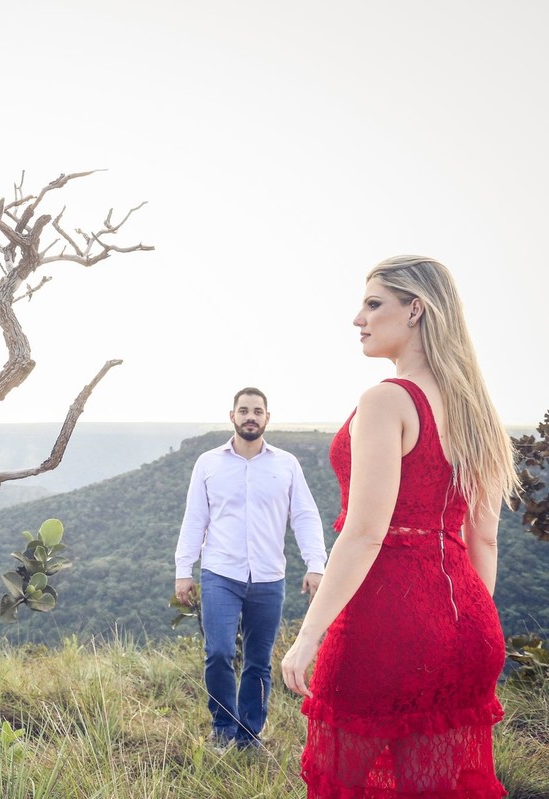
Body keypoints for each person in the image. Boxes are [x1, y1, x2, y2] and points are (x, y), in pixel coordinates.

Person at [281, 256, 518, 797]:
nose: (357, 318)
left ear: (416, 310)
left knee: (342, 783)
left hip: (386, 626)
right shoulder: (475, 408)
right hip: (470, 626)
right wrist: (462, 630)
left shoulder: (388, 399)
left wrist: (308, 635)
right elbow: (482, 536)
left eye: (373, 303)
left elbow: (365, 533)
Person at [174, 387, 328, 750]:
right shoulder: (208, 463)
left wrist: (315, 564)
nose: (250, 416)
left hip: (268, 578)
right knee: (219, 653)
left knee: (258, 661)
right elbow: (194, 518)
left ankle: (249, 735)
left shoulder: (286, 464)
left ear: (267, 418)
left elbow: (304, 515)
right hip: (220, 575)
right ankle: (223, 728)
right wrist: (184, 569)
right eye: (244, 410)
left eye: (257, 411)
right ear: (232, 416)